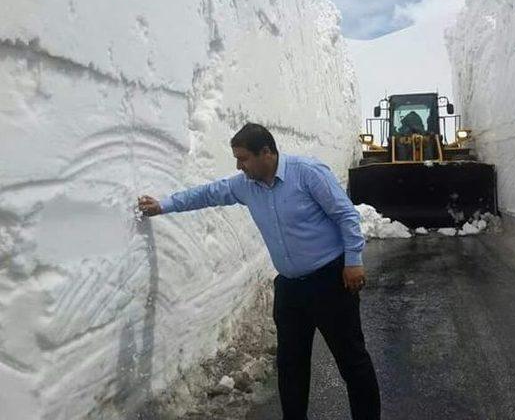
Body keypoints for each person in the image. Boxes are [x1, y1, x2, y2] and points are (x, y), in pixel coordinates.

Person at [138, 123, 380, 420]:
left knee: (351, 361)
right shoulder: (246, 185)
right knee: (290, 365)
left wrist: (353, 261)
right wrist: (164, 205)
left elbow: (345, 215)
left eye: (243, 158)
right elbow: (209, 193)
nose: (239, 166)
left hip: (330, 281)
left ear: (266, 152)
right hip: (290, 288)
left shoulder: (307, 173)